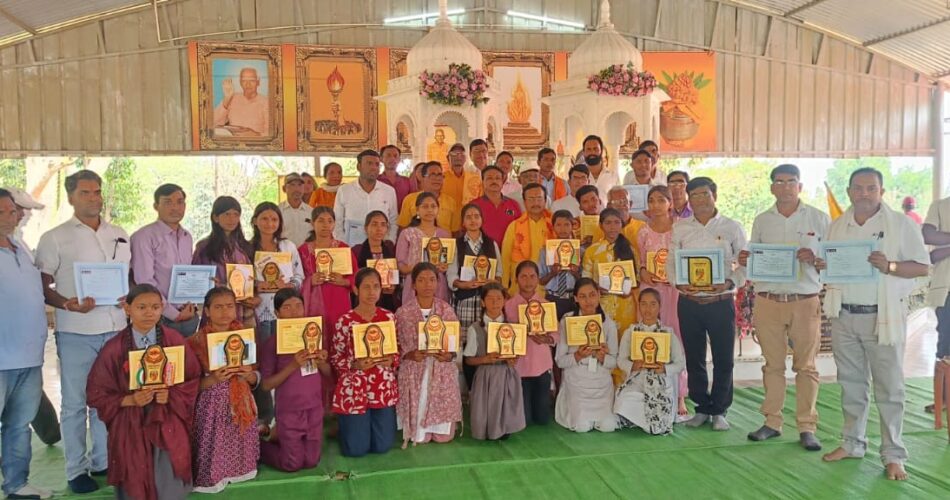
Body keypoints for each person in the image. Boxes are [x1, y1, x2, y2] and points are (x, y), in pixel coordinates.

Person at [818, 168, 929, 481]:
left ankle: (893, 454)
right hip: (843, 315)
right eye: (858, 188)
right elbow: (831, 266)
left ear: (881, 191)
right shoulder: (838, 225)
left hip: (883, 317)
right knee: (851, 385)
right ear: (849, 191)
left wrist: (889, 265)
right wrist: (824, 264)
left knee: (889, 388)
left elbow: (922, 267)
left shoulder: (901, 225)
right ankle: (852, 443)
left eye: (871, 188)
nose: (864, 194)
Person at [35, 170, 132, 494]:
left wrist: (129, 298)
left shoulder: (119, 233)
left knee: (109, 400)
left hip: (116, 329)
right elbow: (43, 284)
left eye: (97, 191)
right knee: (76, 403)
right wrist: (67, 303)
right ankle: (76, 469)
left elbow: (127, 278)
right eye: (85, 193)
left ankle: (102, 461)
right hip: (76, 331)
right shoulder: (55, 237)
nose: (94, 198)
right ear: (71, 197)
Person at [737, 164, 829, 451]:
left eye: (791, 181)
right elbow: (753, 257)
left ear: (800, 186)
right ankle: (772, 422)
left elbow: (832, 261)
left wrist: (815, 258)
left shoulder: (819, 218)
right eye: (780, 181)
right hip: (769, 301)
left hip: (805, 301)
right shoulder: (762, 220)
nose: (786, 186)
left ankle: (807, 426)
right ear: (772, 187)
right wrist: (746, 259)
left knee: (806, 366)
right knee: (773, 365)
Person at [86, 284, 201, 500]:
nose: (149, 313)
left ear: (162, 309)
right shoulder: (114, 348)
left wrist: (171, 395)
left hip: (166, 419)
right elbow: (96, 392)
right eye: (141, 307)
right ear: (127, 309)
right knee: (135, 474)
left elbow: (192, 378)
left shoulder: (174, 341)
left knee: (168, 478)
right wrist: (129, 400)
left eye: (155, 307)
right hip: (131, 424)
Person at [666, 177, 746, 432]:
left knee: (724, 358)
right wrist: (679, 284)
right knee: (694, 357)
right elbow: (671, 262)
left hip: (720, 302)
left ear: (715, 195)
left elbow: (745, 261)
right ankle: (701, 407)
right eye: (694, 195)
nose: (699, 200)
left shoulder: (732, 227)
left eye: (704, 194)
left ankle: (720, 410)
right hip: (689, 302)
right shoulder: (680, 228)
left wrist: (730, 282)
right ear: (688, 199)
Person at [0, 188, 52, 500]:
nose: (12, 216)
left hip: (30, 356)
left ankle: (17, 485)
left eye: (13, 211)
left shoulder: (20, 246)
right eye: (3, 212)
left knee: (19, 425)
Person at [188, 287, 260, 492]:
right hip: (211, 405)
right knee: (213, 442)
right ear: (207, 311)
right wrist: (213, 379)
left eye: (229, 306)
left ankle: (240, 470)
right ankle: (212, 476)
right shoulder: (195, 342)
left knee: (239, 438)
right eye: (218, 307)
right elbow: (188, 385)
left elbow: (255, 375)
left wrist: (249, 375)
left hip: (241, 401)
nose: (225, 312)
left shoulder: (245, 336)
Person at [259, 288, 331, 471]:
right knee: (292, 464)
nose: (294, 312)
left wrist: (322, 362)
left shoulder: (313, 336)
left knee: (312, 461)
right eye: (287, 307)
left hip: (314, 408)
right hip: (289, 411)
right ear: (277, 313)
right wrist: (293, 365)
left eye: (299, 306)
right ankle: (259, 446)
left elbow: (329, 374)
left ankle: (281, 439)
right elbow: (266, 385)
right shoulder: (272, 343)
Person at [331, 268, 400, 457]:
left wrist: (391, 360)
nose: (372, 292)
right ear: (356, 290)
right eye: (366, 287)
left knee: (382, 447)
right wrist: (354, 365)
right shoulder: (345, 321)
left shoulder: (389, 318)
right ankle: (345, 427)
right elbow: (336, 357)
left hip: (382, 388)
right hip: (355, 388)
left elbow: (398, 350)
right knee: (356, 450)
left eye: (376, 287)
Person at [395, 263, 463, 446]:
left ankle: (440, 428)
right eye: (422, 280)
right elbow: (396, 347)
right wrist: (410, 355)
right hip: (415, 370)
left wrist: (448, 355)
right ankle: (418, 428)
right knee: (420, 438)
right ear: (413, 285)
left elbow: (454, 345)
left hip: (441, 370)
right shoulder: (403, 313)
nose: (427, 285)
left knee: (443, 438)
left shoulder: (446, 310)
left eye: (432, 280)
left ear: (438, 283)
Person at [637, 185, 687, 417]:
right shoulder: (643, 232)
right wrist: (644, 272)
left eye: (661, 200)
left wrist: (676, 276)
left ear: (670, 203)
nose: (656, 205)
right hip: (651, 291)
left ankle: (680, 394)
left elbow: (687, 259)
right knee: (651, 336)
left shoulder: (681, 228)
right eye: (652, 200)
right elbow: (641, 263)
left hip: (675, 291)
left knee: (677, 339)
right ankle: (650, 389)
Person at [615, 288, 686, 435]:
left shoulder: (668, 333)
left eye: (653, 304)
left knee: (659, 412)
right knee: (621, 402)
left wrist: (664, 369)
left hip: (661, 382)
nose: (648, 309)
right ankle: (648, 421)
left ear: (660, 307)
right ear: (639, 306)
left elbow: (680, 363)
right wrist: (633, 365)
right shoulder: (631, 332)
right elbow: (621, 360)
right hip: (638, 380)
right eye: (644, 304)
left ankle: (651, 423)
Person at [131, 184, 198, 338]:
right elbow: (145, 282)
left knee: (188, 354)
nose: (175, 208)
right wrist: (172, 313)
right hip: (159, 317)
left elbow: (188, 276)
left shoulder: (187, 237)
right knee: (158, 355)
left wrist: (191, 305)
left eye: (180, 202)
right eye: (168, 202)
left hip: (188, 316)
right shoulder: (144, 236)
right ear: (156, 206)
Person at [554, 278, 618, 433]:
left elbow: (614, 361)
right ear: (575, 298)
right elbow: (560, 361)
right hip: (577, 381)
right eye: (582, 296)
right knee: (581, 426)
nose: (588, 301)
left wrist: (602, 357)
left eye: (592, 295)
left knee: (608, 426)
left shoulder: (608, 324)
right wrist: (578, 356)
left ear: (599, 295)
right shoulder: (567, 320)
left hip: (601, 382)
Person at [464, 282, 526, 440]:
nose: (495, 302)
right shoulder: (475, 328)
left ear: (504, 301)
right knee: (487, 406)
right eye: (490, 298)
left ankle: (504, 429)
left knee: (505, 406)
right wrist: (485, 359)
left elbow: (516, 355)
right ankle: (488, 430)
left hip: (506, 374)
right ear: (483, 302)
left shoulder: (513, 327)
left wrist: (513, 360)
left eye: (499, 298)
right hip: (485, 375)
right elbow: (469, 360)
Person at [193, 196, 260, 329]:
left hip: (243, 310)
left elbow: (252, 279)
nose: (232, 219)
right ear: (215, 218)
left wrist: (255, 296)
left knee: (243, 341)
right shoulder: (204, 247)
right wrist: (213, 285)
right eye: (227, 214)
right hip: (218, 309)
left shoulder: (245, 246)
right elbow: (196, 279)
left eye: (236, 214)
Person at [505, 261, 558, 426]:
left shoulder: (546, 305)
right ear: (516, 279)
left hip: (541, 365)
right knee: (525, 419)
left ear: (538, 279)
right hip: (519, 366)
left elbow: (556, 334)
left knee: (542, 418)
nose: (528, 281)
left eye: (532, 276)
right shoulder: (508, 306)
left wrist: (546, 339)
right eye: (523, 276)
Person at [299, 206, 357, 345]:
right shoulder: (303, 250)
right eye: (321, 221)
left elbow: (357, 276)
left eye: (330, 221)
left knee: (339, 338)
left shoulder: (343, 248)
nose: (326, 225)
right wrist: (310, 281)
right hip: (313, 304)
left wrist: (344, 281)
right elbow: (295, 279)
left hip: (338, 301)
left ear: (334, 224)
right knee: (315, 339)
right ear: (312, 223)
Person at [582, 208, 638, 337]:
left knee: (625, 342)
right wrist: (597, 289)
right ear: (601, 225)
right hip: (602, 306)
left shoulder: (630, 250)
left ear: (621, 224)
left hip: (626, 307)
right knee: (603, 341)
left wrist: (628, 289)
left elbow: (637, 279)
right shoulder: (592, 251)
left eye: (616, 222)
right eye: (608, 223)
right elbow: (586, 281)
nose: (612, 227)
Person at [333, 150, 398, 247]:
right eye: (369, 163)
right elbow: (337, 221)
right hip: (351, 246)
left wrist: (390, 241)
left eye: (377, 164)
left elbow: (393, 220)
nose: (374, 168)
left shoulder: (389, 191)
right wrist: (343, 244)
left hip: (380, 247)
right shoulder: (344, 190)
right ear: (358, 167)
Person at [396, 193, 452, 305]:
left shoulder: (445, 234)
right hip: (414, 284)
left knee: (437, 315)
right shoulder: (407, 234)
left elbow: (449, 265)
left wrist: (444, 267)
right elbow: (401, 266)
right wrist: (421, 268)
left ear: (438, 210)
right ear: (417, 210)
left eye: (433, 206)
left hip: (438, 285)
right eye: (425, 206)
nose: (429, 210)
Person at [923, 193, 950, 414]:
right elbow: (928, 235)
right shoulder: (941, 206)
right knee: (946, 345)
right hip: (947, 289)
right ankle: (943, 398)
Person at [500, 183, 554, 292]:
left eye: (539, 198)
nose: (535, 203)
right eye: (531, 199)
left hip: (548, 286)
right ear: (524, 202)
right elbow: (505, 258)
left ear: (545, 201)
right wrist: (504, 286)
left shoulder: (555, 224)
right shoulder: (514, 226)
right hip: (520, 287)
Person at [538, 210, 583, 318]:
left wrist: (575, 273)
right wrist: (552, 273)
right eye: (558, 225)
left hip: (574, 298)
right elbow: (541, 281)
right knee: (554, 327)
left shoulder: (580, 251)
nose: (563, 229)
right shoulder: (545, 251)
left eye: (567, 224)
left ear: (572, 226)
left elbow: (584, 281)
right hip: (552, 298)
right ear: (553, 227)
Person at [352, 211, 398, 312]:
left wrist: (393, 286)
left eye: (383, 225)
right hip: (365, 298)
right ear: (366, 228)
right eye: (374, 224)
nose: (379, 229)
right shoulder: (357, 250)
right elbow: (353, 278)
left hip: (387, 299)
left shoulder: (390, 249)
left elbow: (394, 275)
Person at [397, 161, 461, 233]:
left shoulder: (451, 202)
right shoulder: (410, 199)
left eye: (440, 175)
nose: (437, 179)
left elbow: (455, 231)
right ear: (423, 178)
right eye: (432, 175)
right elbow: (403, 229)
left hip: (444, 240)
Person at [470, 165, 521, 246]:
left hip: (509, 250)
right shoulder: (473, 205)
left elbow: (520, 230)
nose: (494, 181)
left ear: (502, 182)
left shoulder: (513, 204)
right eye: (489, 178)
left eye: (497, 178)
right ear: (482, 182)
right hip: (483, 251)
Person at [213, 67, 269, 136]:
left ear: (258, 82)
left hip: (256, 142)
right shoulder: (232, 98)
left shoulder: (266, 103)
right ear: (240, 82)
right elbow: (213, 123)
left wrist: (256, 135)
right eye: (244, 80)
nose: (248, 84)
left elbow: (272, 133)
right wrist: (227, 98)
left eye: (252, 80)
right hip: (233, 142)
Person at [580, 135, 618, 206]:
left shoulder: (613, 176)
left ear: (601, 151)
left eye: (595, 149)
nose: (592, 152)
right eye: (588, 149)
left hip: (607, 213)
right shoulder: (578, 176)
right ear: (584, 152)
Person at [279, 173, 313, 247]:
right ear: (284, 189)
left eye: (300, 185)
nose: (297, 189)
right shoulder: (278, 211)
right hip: (284, 252)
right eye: (292, 185)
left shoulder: (311, 212)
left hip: (306, 253)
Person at [443, 142, 478, 209]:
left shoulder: (474, 178)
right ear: (448, 158)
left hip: (468, 215)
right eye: (454, 153)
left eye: (461, 153)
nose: (458, 157)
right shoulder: (441, 178)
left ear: (465, 158)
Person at [462, 139, 491, 204]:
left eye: (484, 151)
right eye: (476, 151)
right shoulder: (465, 173)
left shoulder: (494, 173)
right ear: (470, 155)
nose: (481, 154)